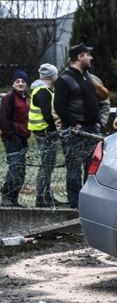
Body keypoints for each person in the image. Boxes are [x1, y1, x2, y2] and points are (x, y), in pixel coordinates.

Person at [54, 44, 101, 208]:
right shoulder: (64, 79)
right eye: (88, 55)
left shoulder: (87, 76)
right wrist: (74, 124)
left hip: (92, 130)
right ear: (80, 57)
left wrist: (97, 121)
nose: (91, 58)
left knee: (91, 167)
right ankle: (75, 203)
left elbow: (95, 100)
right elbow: (59, 106)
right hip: (75, 132)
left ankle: (87, 200)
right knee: (74, 169)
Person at [28, 64, 60, 207]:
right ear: (52, 76)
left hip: (42, 131)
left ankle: (46, 195)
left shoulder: (42, 90)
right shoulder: (43, 92)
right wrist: (55, 129)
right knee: (46, 165)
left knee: (48, 164)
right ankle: (42, 197)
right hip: (45, 131)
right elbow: (47, 115)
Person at [0, 70, 31, 206]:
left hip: (23, 137)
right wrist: (11, 135)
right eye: (17, 81)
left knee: (21, 170)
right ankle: (7, 197)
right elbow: (3, 118)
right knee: (15, 168)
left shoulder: (24, 98)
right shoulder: (9, 98)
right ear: (13, 83)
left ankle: (14, 198)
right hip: (12, 138)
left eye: (23, 81)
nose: (20, 83)